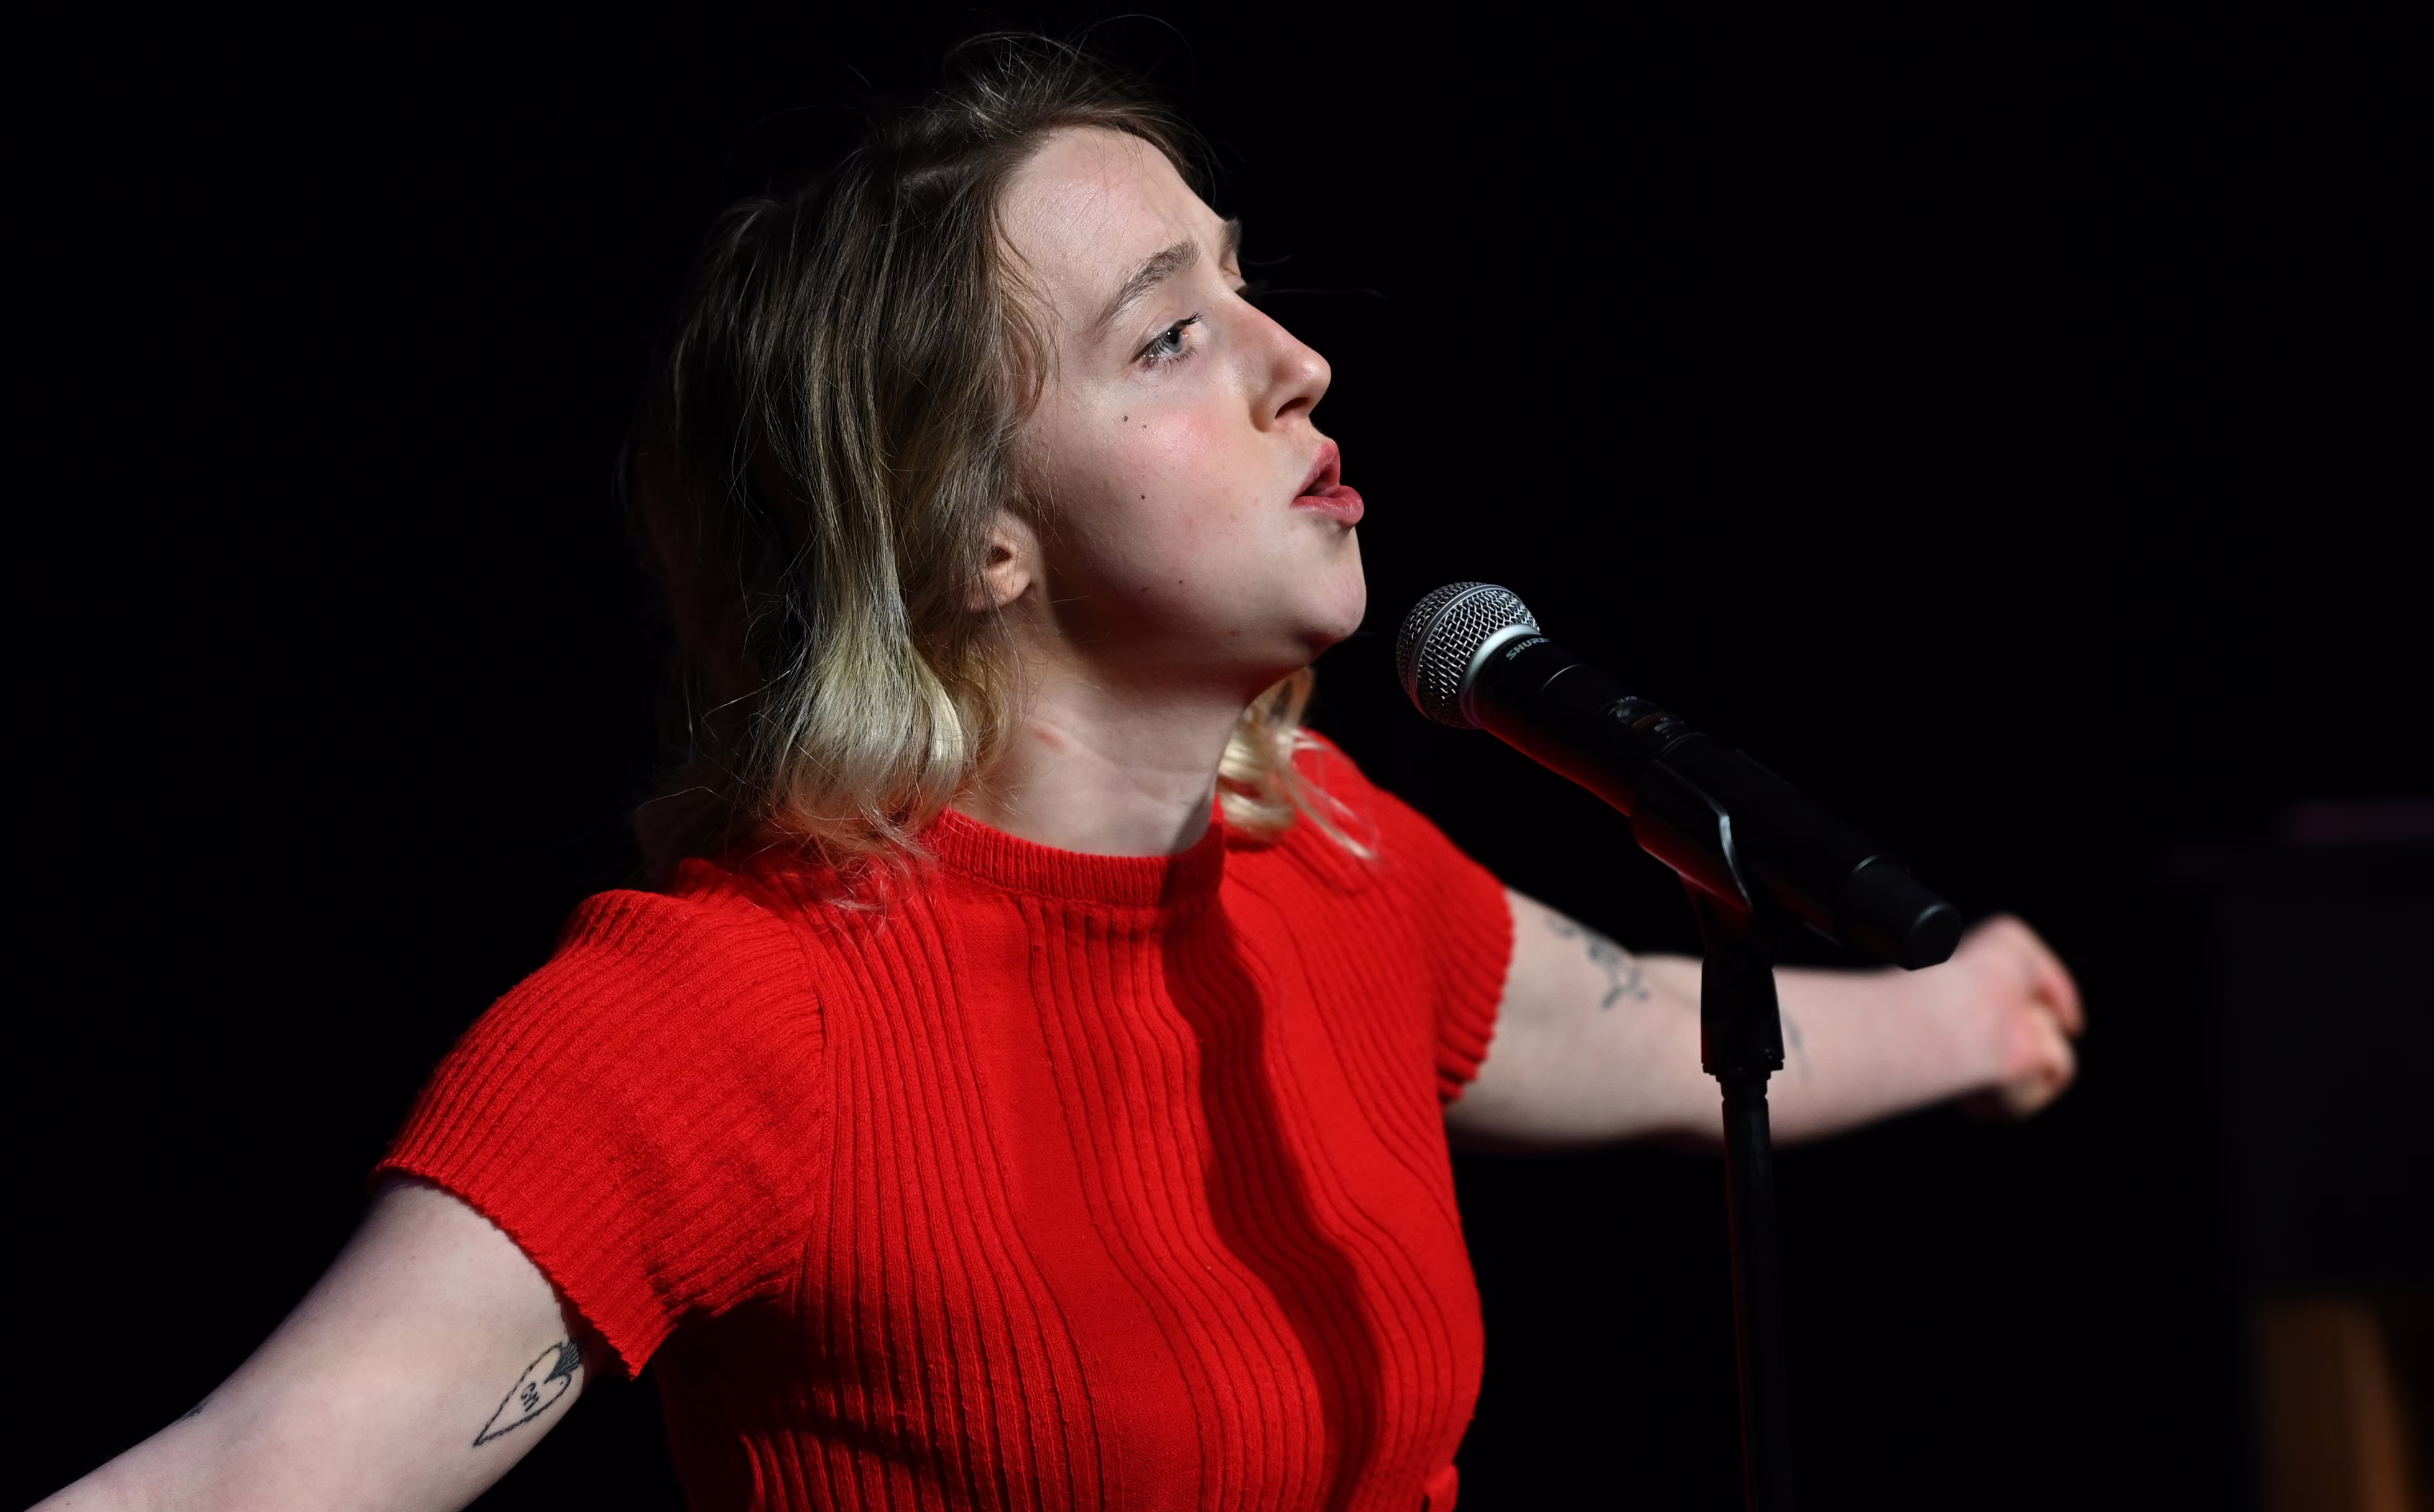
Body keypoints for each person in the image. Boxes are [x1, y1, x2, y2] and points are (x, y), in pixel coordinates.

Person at [39, 37, 2081, 1512]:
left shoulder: (1327, 857)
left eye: (1243, 284)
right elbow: (255, 1473)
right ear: (974, 533)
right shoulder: (731, 1014)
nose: (1297, 360)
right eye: (1168, 336)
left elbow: (1619, 1026)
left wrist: (1969, 1010)